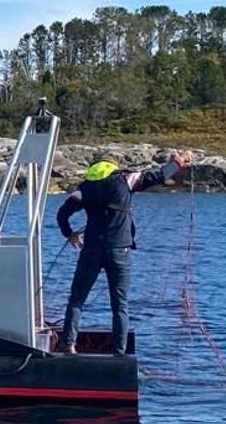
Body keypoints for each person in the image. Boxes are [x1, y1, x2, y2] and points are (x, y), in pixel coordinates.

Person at [55, 150, 193, 355]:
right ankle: (119, 352)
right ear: (113, 165)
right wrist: (178, 162)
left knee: (77, 299)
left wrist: (70, 234)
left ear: (93, 168)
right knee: (119, 304)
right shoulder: (126, 179)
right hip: (119, 249)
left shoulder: (84, 188)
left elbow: (62, 215)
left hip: (91, 250)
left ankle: (68, 344)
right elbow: (160, 175)